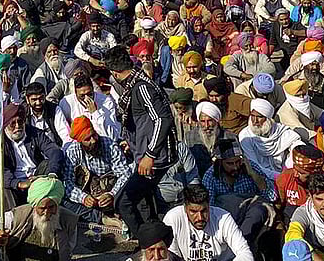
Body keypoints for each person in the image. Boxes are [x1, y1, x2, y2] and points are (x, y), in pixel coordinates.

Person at [105, 45, 177, 235]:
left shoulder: (141, 87)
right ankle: (155, 239)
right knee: (146, 203)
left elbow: (162, 119)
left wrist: (150, 154)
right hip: (144, 153)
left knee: (124, 202)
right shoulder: (136, 84)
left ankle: (146, 242)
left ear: (115, 72)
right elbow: (143, 120)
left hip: (154, 158)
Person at [0, 103, 63, 208]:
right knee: (2, 184)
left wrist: (51, 173)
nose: (17, 126)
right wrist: (17, 183)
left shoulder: (34, 133)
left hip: (35, 177)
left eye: (20, 122)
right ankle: (15, 218)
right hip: (14, 182)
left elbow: (54, 150)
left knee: (48, 164)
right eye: (13, 123)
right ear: (5, 125)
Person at [0, 176, 78, 261]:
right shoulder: (18, 215)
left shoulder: (69, 220)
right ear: (34, 206)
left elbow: (69, 248)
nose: (47, 213)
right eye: (42, 208)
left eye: (51, 207)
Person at [61, 116, 130, 224]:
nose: (93, 140)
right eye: (87, 139)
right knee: (64, 202)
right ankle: (101, 218)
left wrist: (112, 194)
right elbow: (67, 181)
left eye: (94, 135)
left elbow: (125, 174)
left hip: (110, 190)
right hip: (88, 193)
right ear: (80, 142)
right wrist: (83, 198)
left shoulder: (110, 145)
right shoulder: (73, 151)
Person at [162, 184, 254, 261]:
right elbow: (170, 255)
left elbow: (245, 253)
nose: (200, 217)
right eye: (193, 212)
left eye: (204, 211)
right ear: (185, 208)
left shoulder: (223, 218)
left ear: (209, 206)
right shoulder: (173, 218)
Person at [238, 98, 302, 183]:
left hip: (284, 174)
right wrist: (279, 177)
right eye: (252, 116)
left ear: (268, 119)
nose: (255, 121)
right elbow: (254, 165)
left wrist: (289, 169)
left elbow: (297, 145)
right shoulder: (245, 136)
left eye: (259, 117)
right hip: (260, 177)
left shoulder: (279, 130)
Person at [185, 101, 237, 177]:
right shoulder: (189, 137)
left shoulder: (230, 137)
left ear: (216, 121)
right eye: (203, 121)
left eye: (210, 121)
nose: (206, 126)